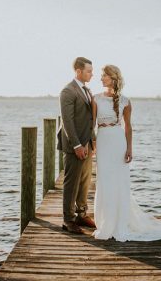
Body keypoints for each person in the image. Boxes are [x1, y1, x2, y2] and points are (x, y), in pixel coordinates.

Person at [91, 64, 161, 241]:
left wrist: (129, 148)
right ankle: (105, 222)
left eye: (104, 76)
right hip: (103, 141)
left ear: (113, 78)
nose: (101, 78)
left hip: (118, 142)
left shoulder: (125, 101)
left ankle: (118, 222)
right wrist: (93, 143)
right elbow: (91, 124)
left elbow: (128, 127)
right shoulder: (96, 99)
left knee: (119, 181)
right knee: (104, 180)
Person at [57, 57, 97, 234]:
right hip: (75, 145)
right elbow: (67, 121)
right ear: (78, 71)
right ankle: (68, 219)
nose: (92, 74)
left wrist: (92, 140)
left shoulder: (87, 91)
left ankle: (82, 214)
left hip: (87, 143)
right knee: (71, 183)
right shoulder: (68, 91)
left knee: (85, 181)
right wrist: (77, 145)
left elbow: (90, 119)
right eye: (89, 71)